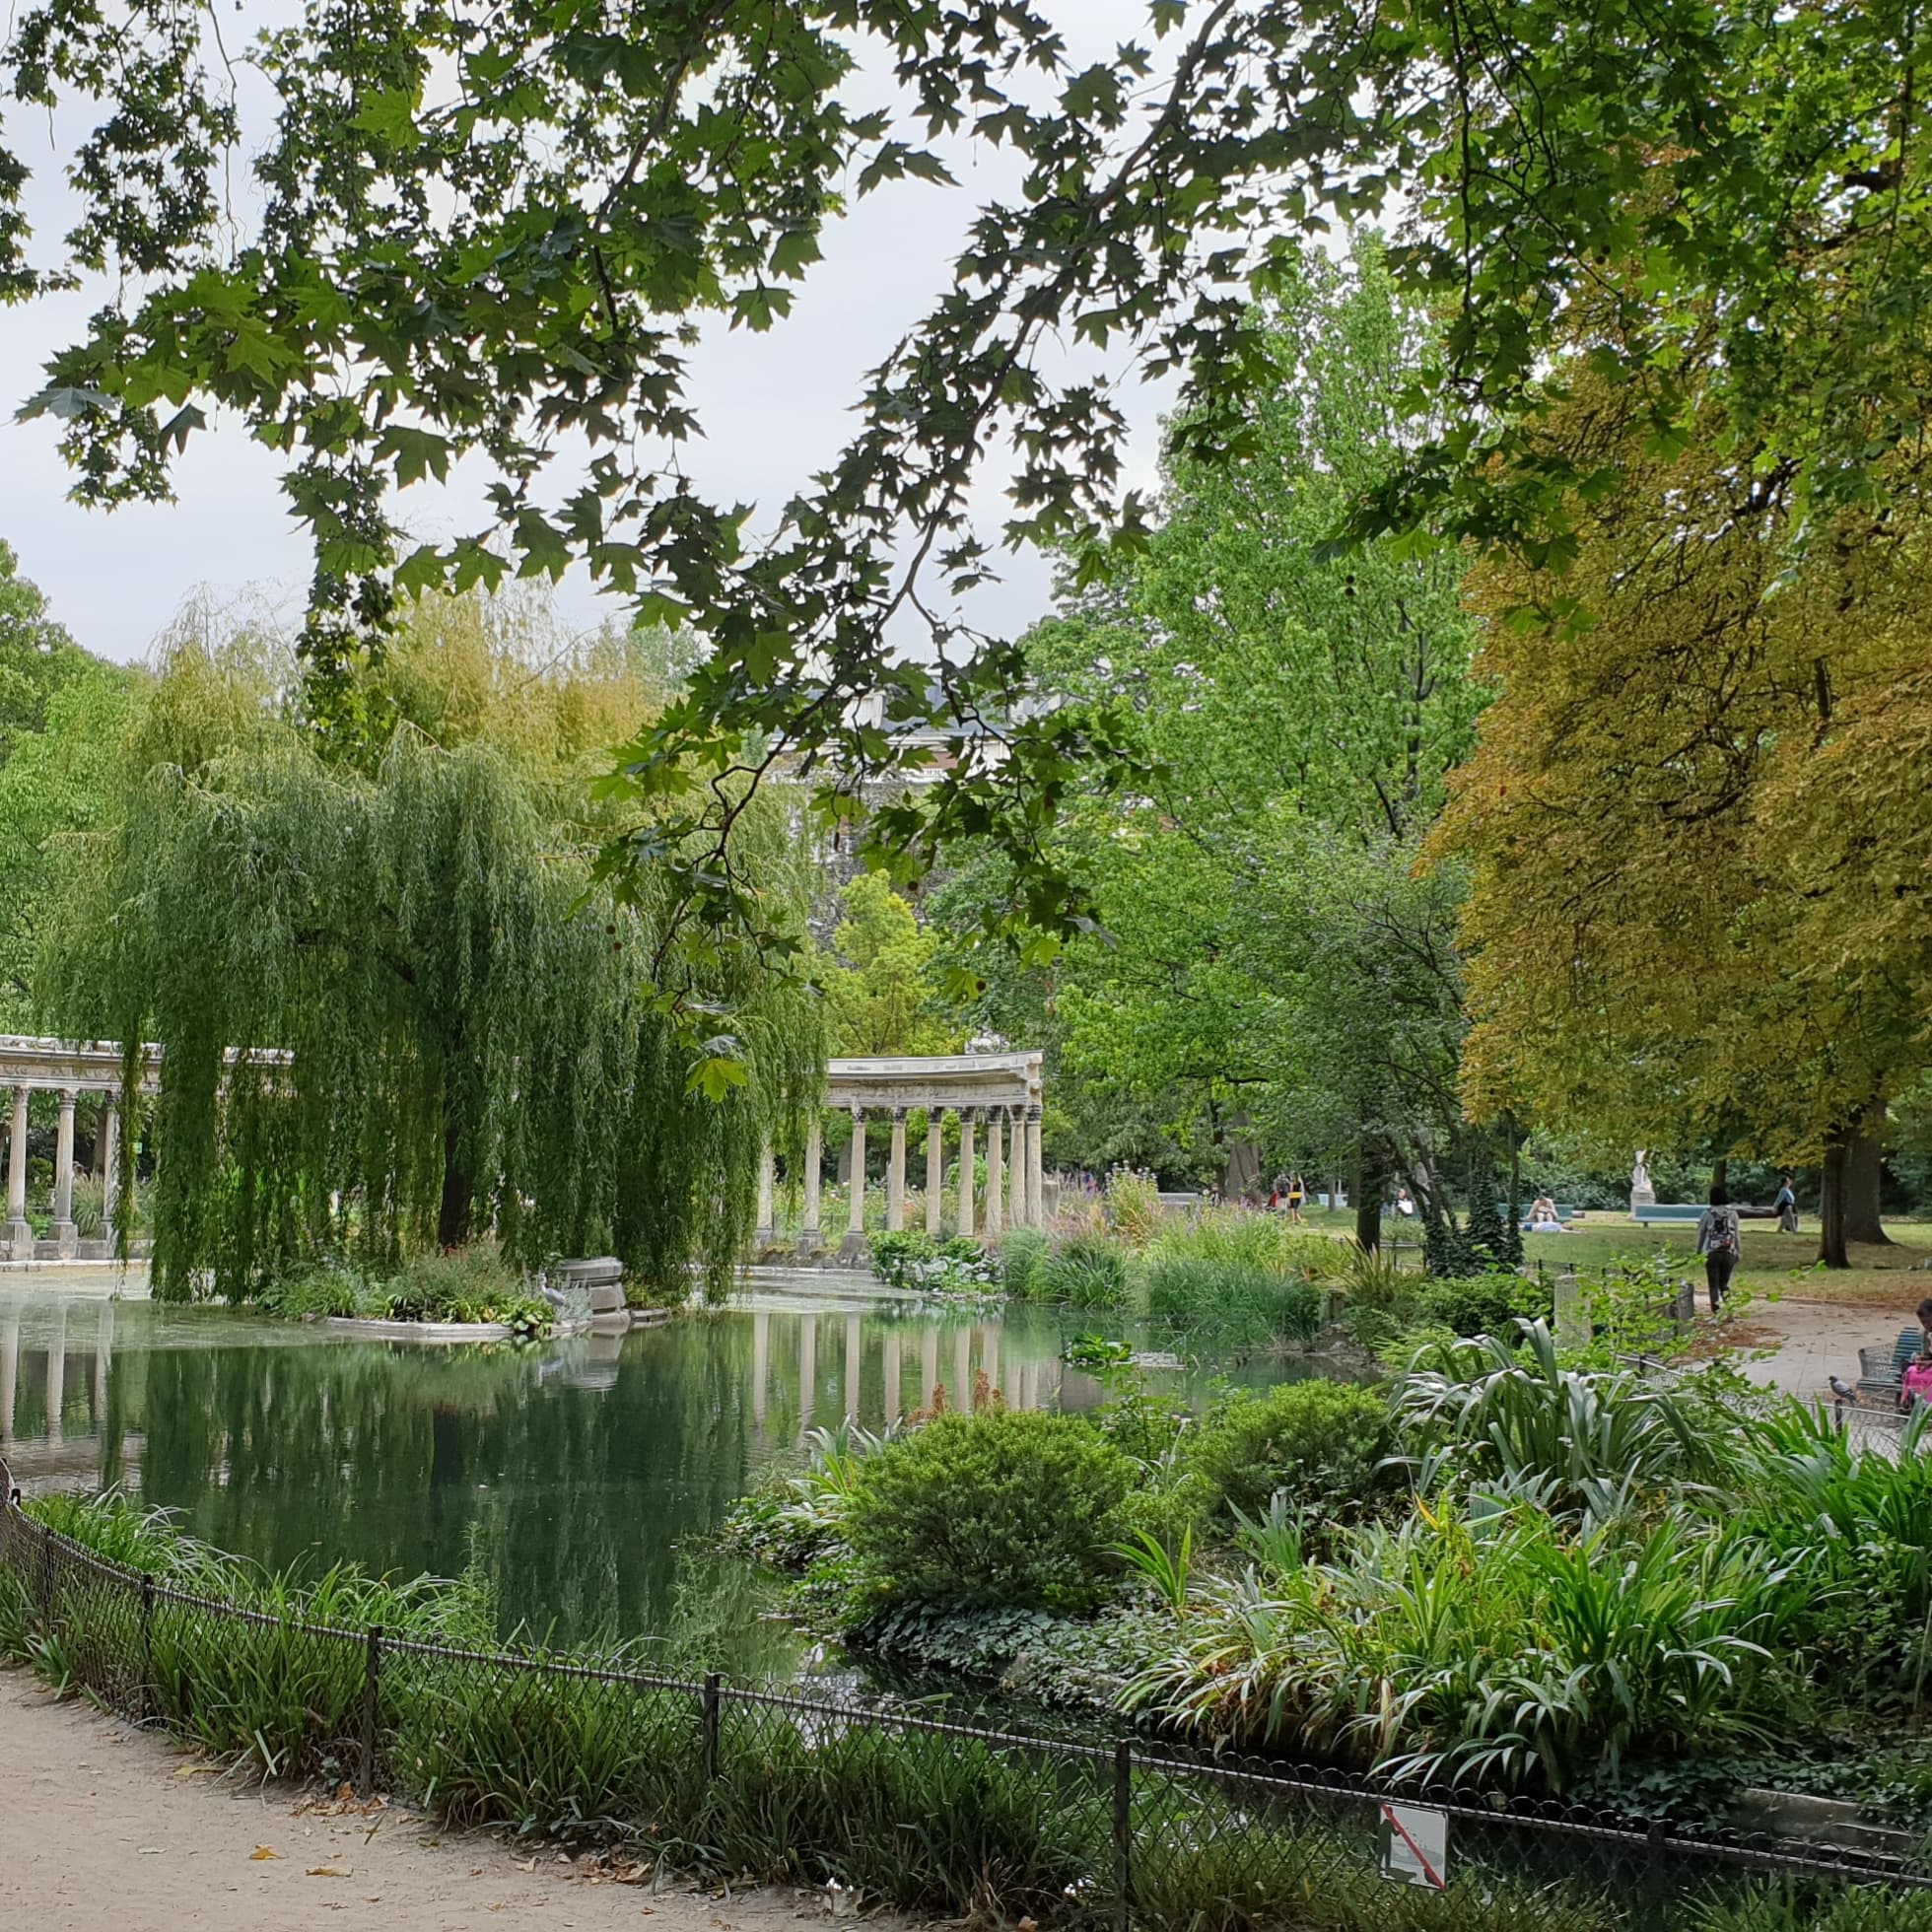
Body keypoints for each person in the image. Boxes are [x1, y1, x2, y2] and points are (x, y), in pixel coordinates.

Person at [1695, 1184, 1743, 1313]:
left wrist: (1698, 1252)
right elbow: (1736, 1235)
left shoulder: (1707, 1214)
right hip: (1728, 1252)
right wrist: (1738, 1251)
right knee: (1724, 1283)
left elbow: (1701, 1234)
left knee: (1713, 1283)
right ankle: (1729, 1309)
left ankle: (1716, 1311)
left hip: (1712, 1252)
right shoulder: (1733, 1214)